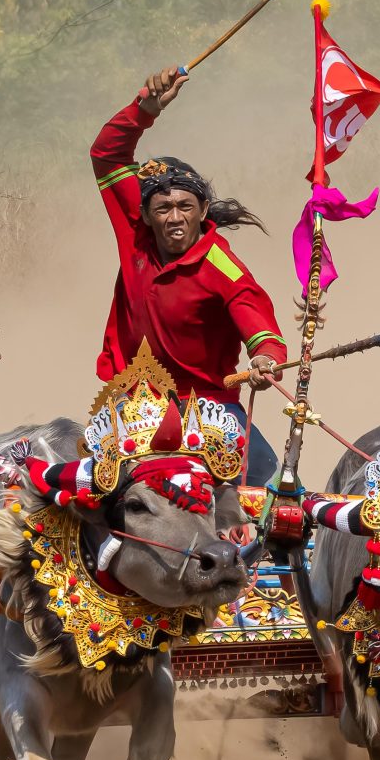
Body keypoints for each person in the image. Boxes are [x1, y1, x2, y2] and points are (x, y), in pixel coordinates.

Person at [92, 66, 287, 489]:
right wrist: (144, 109)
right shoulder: (136, 234)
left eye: (185, 206)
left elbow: (259, 326)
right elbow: (106, 155)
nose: (175, 217)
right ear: (146, 215)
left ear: (203, 210)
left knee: (275, 491)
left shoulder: (222, 266)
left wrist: (265, 358)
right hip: (135, 404)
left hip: (209, 409)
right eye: (163, 208)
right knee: (87, 496)